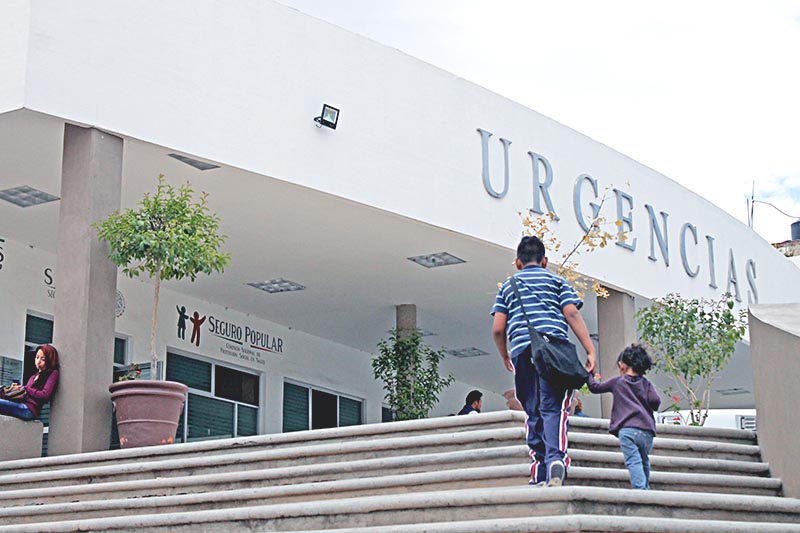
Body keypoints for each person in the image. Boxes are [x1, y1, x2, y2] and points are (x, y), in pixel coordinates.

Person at [492, 236, 596, 487]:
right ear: (545, 261)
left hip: (522, 352)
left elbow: (498, 328)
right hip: (553, 353)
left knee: (532, 410)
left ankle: (538, 469)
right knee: (553, 407)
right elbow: (571, 313)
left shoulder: (508, 286)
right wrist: (590, 350)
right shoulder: (557, 281)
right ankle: (555, 460)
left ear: (518, 263)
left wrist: (505, 354)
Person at [587, 343, 661, 490]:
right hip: (646, 431)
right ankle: (645, 487)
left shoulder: (618, 382)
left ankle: (640, 490)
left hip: (627, 430)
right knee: (644, 460)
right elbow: (655, 401)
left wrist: (589, 374)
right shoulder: (646, 384)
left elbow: (595, 388)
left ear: (622, 365)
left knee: (633, 460)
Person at [0, 344, 59, 421]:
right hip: (22, 404)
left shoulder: (53, 373)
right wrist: (18, 388)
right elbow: (27, 393)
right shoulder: (33, 377)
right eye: (37, 357)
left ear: (49, 360)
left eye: (43, 359)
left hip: (29, 410)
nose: (38, 361)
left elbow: (44, 395)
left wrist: (26, 388)